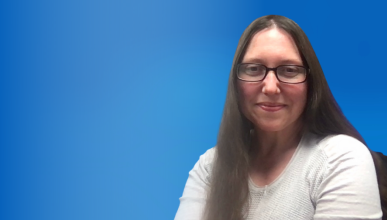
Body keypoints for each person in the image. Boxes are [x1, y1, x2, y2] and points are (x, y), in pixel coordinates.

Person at [174, 15, 385, 220]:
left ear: (310, 84)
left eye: (289, 70)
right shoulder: (211, 166)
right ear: (235, 83)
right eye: (254, 69)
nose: (271, 87)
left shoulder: (340, 158)